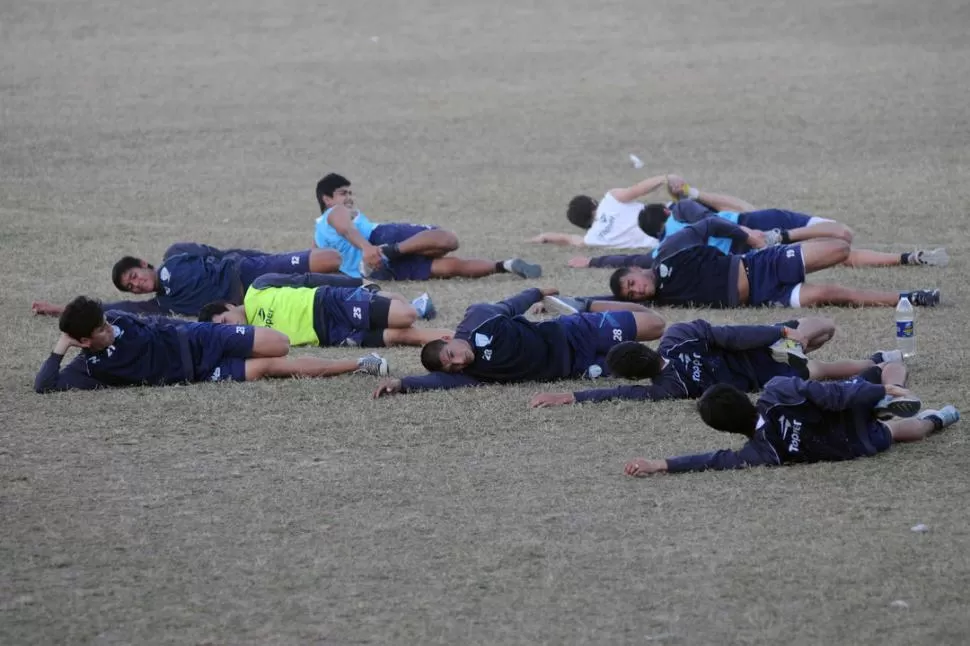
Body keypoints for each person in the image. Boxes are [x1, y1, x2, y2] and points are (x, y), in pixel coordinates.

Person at [623, 369, 960, 476]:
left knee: (897, 430)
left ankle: (940, 417)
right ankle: (889, 390)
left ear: (725, 430)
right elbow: (828, 395)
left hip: (861, 444)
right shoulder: (776, 391)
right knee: (865, 381)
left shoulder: (761, 453)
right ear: (743, 396)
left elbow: (712, 460)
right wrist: (873, 390)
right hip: (849, 409)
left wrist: (659, 464)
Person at [34, 296, 389, 393]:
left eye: (105, 322)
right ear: (82, 341)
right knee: (269, 366)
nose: (108, 328)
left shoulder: (113, 320)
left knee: (278, 343)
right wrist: (61, 346)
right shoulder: (89, 368)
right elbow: (44, 386)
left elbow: (148, 314)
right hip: (201, 371)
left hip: (201, 336)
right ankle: (361, 363)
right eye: (99, 330)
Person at [529, 317, 896, 407]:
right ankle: (876, 360)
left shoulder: (670, 389)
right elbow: (732, 335)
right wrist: (781, 331)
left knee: (822, 371)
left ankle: (878, 362)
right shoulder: (677, 336)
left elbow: (623, 393)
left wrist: (573, 397)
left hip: (777, 370)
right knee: (822, 328)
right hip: (775, 352)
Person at [371, 288, 666, 397]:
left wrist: (538, 292)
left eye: (452, 354)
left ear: (448, 339)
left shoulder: (479, 318)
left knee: (656, 325)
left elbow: (511, 304)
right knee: (655, 366)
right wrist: (403, 383)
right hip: (579, 366)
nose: (459, 362)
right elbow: (436, 382)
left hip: (575, 332)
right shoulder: (471, 374)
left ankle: (584, 304)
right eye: (452, 367)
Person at [607, 218, 941, 308]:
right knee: (831, 293)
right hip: (763, 297)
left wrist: (753, 238)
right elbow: (598, 305)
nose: (635, 291)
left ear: (636, 272)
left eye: (631, 283)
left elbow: (708, 226)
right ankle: (910, 298)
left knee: (839, 248)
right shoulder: (661, 300)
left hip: (760, 266)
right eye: (630, 294)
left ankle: (783, 236)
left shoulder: (667, 252)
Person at [314, 173, 542, 280]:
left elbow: (318, 262)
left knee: (447, 267)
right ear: (327, 199)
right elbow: (346, 228)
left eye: (350, 193)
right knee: (447, 241)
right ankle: (503, 265)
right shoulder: (335, 212)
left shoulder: (319, 233)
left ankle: (507, 266)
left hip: (377, 268)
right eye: (343, 193)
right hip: (379, 241)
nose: (349, 198)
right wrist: (368, 249)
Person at [31, 242, 350, 318]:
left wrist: (262, 257)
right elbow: (114, 308)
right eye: (131, 286)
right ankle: (355, 287)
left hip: (243, 269)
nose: (136, 284)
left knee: (327, 259)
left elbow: (222, 252)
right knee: (307, 288)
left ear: (143, 264)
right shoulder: (162, 304)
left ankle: (355, 272)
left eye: (133, 276)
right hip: (249, 298)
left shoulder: (175, 254)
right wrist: (61, 310)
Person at [198, 274, 451, 348]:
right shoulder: (253, 338)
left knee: (405, 317)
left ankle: (411, 306)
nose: (229, 328)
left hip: (329, 303)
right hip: (331, 335)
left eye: (224, 321)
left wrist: (355, 283)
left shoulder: (258, 287)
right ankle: (461, 338)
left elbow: (307, 278)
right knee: (402, 336)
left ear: (229, 306)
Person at [528, 174, 669, 248]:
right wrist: (664, 179)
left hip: (664, 240)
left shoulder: (592, 239)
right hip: (671, 216)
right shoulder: (611, 199)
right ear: (593, 202)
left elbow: (568, 238)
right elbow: (638, 189)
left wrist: (543, 237)